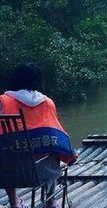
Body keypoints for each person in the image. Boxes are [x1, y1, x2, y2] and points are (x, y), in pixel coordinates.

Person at [0, 64, 77, 208]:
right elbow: (57, 134)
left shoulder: (3, 101)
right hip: (40, 170)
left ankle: (14, 202)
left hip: (7, 172)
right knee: (54, 150)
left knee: (6, 154)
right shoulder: (47, 103)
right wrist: (70, 154)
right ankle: (50, 200)